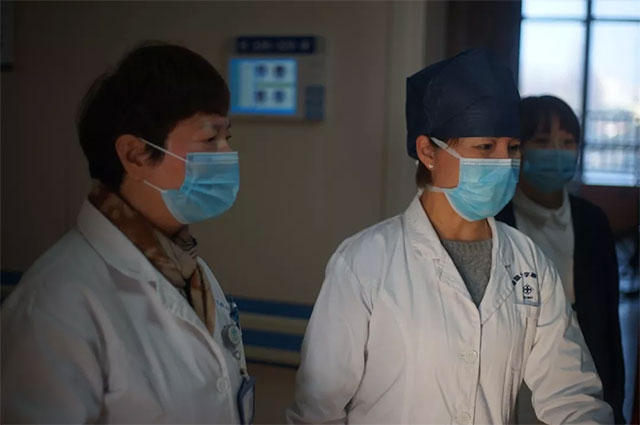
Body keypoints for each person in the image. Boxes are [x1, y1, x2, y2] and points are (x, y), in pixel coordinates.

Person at [286, 49, 613, 424]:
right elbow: (319, 411)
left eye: (512, 148)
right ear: (428, 151)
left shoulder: (530, 264)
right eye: (485, 147)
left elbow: (572, 395)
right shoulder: (364, 262)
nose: (504, 162)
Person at [1, 43, 254, 424]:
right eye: (209, 139)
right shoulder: (54, 307)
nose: (226, 153)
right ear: (135, 154)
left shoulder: (186, 268)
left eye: (227, 137)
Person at [496, 95, 625, 424]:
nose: (556, 151)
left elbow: (608, 323)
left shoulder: (592, 221)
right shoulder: (496, 220)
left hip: (583, 381)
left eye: (567, 142)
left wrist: (615, 403)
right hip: (513, 384)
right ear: (517, 149)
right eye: (542, 141)